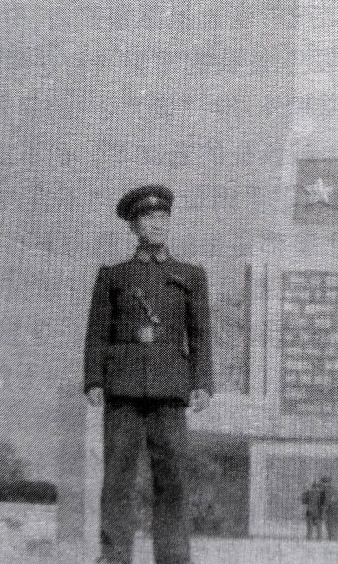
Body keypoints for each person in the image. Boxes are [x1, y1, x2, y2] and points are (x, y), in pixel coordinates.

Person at [84, 185, 213, 564]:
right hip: (122, 386)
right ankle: (114, 556)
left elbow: (200, 334)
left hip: (170, 387)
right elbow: (97, 332)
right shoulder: (113, 276)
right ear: (133, 227)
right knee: (117, 476)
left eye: (163, 218)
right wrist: (94, 379)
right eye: (148, 218)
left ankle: (173, 557)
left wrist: (202, 383)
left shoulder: (190, 275)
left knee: (172, 478)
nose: (157, 224)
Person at [320, 475, 338, 540]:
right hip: (336, 509)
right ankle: (335, 536)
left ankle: (331, 537)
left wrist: (323, 511)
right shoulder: (335, 489)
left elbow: (327, 501)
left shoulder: (326, 490)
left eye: (323, 483)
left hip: (330, 509)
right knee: (335, 523)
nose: (323, 484)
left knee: (330, 523)